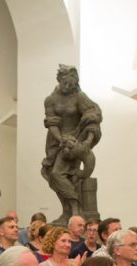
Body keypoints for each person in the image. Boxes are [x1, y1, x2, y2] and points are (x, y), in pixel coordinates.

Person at [40, 65, 102, 224]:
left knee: (59, 174)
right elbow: (51, 123)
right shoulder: (50, 99)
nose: (68, 87)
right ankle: (67, 210)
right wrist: (60, 139)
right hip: (56, 141)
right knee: (52, 176)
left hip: (76, 141)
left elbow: (91, 117)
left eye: (71, 84)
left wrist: (86, 142)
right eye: (65, 83)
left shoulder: (80, 97)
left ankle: (75, 209)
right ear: (59, 80)